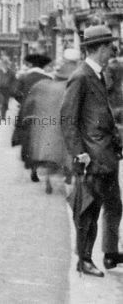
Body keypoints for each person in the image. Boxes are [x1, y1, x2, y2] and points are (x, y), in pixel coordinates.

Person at [61, 25, 123, 277]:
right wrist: (80, 153)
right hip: (92, 157)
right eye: (109, 47)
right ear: (99, 49)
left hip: (105, 155)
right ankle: (84, 260)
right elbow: (67, 119)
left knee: (114, 206)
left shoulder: (96, 74)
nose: (112, 51)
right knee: (88, 210)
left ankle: (109, 252)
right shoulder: (81, 76)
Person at [21, 48, 79, 194]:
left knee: (46, 150)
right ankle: (67, 176)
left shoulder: (38, 82)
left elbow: (25, 99)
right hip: (62, 119)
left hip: (43, 120)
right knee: (65, 150)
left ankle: (45, 176)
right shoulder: (71, 78)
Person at [11, 52, 52, 182]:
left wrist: (23, 102)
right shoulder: (48, 78)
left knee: (27, 138)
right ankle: (37, 166)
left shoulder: (24, 78)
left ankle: (31, 166)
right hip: (42, 113)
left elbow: (15, 93)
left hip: (26, 112)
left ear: (31, 65)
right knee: (40, 139)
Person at [0, 55, 16, 120]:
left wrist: (13, 88)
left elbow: (14, 81)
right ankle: (2, 117)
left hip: (7, 90)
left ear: (8, 64)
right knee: (2, 101)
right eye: (3, 63)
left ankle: (3, 114)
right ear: (1, 64)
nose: (5, 65)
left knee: (6, 104)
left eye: (6, 63)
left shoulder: (11, 72)